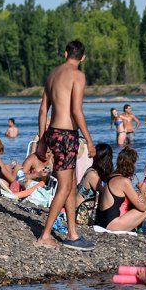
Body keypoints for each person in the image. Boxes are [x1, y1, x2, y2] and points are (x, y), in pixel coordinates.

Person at [35, 40, 96, 251]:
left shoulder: (52, 75)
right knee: (64, 186)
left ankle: (72, 233)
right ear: (83, 58)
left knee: (69, 182)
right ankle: (45, 234)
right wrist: (89, 140)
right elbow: (77, 111)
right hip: (66, 134)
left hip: (52, 133)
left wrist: (42, 141)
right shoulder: (78, 76)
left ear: (65, 53)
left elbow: (43, 110)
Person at [95, 147, 146, 231]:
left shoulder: (112, 177)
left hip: (104, 222)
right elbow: (142, 207)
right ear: (132, 165)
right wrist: (142, 191)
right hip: (113, 225)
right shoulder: (123, 181)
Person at [75, 143, 113, 225]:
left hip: (84, 210)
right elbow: (106, 193)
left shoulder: (93, 170)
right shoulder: (92, 175)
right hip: (80, 213)